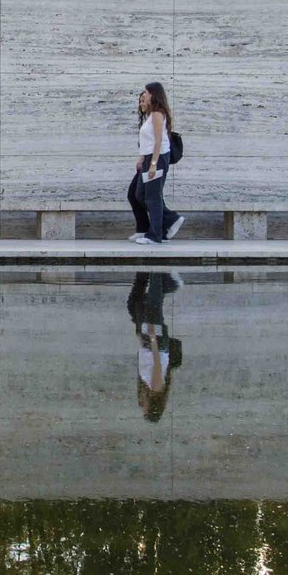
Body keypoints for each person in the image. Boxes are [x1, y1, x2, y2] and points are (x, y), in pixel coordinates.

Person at [128, 82, 184, 244]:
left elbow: (159, 140)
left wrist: (153, 163)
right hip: (150, 158)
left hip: (157, 158)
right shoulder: (152, 115)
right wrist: (142, 158)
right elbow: (148, 140)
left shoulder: (158, 114)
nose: (143, 95)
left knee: (152, 197)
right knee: (140, 194)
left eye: (146, 92)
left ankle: (155, 235)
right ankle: (170, 220)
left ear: (154, 94)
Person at [127, 271, 184, 420]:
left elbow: (146, 364)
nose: (142, 408)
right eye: (145, 411)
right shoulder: (156, 389)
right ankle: (157, 271)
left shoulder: (147, 390)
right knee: (153, 305)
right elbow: (157, 365)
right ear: (151, 407)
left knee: (134, 305)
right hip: (156, 342)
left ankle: (146, 272)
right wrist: (152, 338)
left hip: (149, 343)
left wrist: (141, 340)